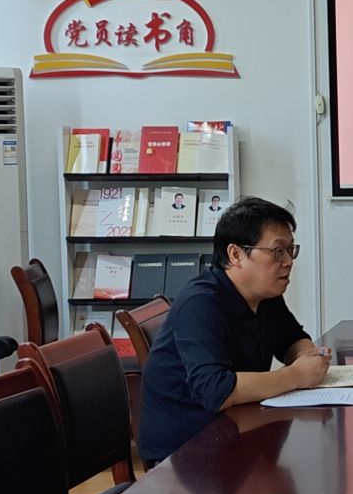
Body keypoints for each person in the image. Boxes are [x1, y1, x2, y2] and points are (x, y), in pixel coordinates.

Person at [136, 196, 332, 466]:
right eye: (277, 251)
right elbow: (216, 390)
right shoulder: (200, 302)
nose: (288, 261)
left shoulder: (266, 295)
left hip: (235, 428)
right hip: (185, 454)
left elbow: (291, 339)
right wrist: (297, 375)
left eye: (290, 250)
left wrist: (309, 356)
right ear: (236, 254)